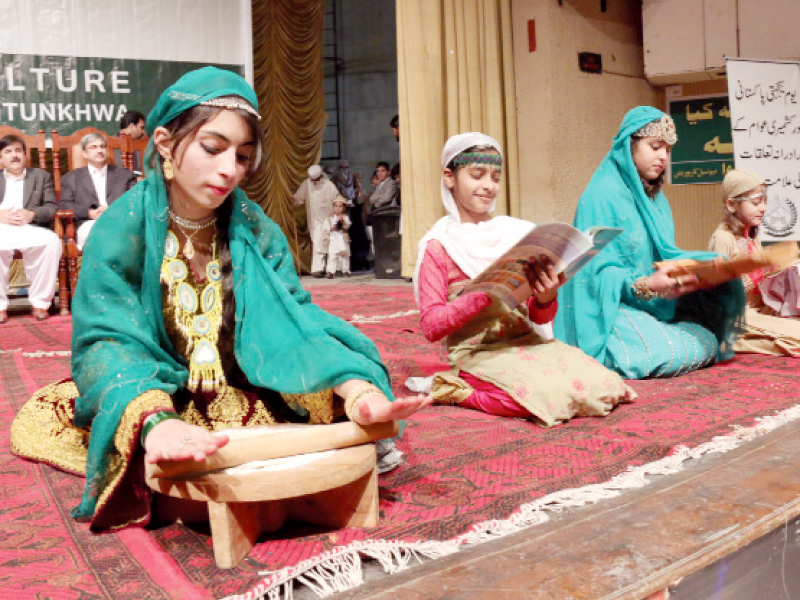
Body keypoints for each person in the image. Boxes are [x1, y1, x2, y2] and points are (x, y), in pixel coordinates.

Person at [10, 67, 431, 532]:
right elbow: (108, 339)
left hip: (246, 379)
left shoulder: (253, 227)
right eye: (213, 148)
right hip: (156, 388)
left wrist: (355, 389)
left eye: (243, 155)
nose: (230, 169)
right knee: (80, 419)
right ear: (166, 144)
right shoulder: (121, 227)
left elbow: (294, 320)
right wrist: (156, 424)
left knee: (335, 384)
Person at [414, 132, 635, 425]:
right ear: (449, 177)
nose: (488, 186)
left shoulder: (514, 232)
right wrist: (485, 293)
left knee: (606, 386)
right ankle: (453, 390)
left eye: (495, 177)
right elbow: (431, 326)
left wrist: (547, 297)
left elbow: (538, 316)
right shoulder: (439, 245)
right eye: (477, 175)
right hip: (477, 352)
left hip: (525, 342)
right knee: (537, 397)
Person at [554, 107, 745, 379]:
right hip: (608, 309)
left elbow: (664, 254)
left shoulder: (655, 199)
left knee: (707, 338)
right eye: (655, 146)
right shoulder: (602, 194)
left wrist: (698, 266)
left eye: (667, 150)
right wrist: (644, 284)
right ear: (629, 146)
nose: (663, 157)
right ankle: (611, 355)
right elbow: (591, 275)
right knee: (677, 349)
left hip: (651, 304)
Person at [708, 169, 800, 357]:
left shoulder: (751, 236)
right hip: (735, 315)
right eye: (756, 203)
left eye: (765, 202)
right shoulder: (723, 238)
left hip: (759, 309)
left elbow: (760, 277)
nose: (764, 208)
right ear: (732, 204)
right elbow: (717, 289)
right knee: (794, 336)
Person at [0, 134, 61, 323]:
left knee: (52, 242)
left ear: (25, 155)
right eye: (8, 151)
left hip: (30, 227)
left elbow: (51, 207)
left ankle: (40, 303)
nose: (14, 155)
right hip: (2, 227)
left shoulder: (41, 176)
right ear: (1, 158)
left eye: (18, 150)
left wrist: (31, 214)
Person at [59, 132, 138, 250]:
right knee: (100, 234)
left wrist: (112, 211)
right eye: (93, 147)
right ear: (84, 154)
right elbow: (64, 205)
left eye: (102, 146)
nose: (99, 150)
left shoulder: (125, 175)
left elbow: (135, 202)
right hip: (88, 223)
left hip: (118, 221)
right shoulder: (71, 178)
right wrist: (89, 213)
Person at [293, 165, 342, 276]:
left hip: (329, 219)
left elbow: (338, 198)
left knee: (332, 243)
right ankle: (318, 269)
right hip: (315, 220)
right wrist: (293, 200)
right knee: (318, 242)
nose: (314, 182)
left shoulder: (329, 185)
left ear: (320, 177)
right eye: (312, 180)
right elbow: (299, 197)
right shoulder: (307, 184)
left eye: (316, 180)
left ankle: (332, 269)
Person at [324, 198, 351, 279]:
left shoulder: (345, 217)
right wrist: (331, 228)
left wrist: (342, 221)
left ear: (343, 208)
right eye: (336, 206)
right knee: (332, 255)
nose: (338, 208)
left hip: (342, 238)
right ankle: (330, 271)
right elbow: (325, 228)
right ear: (333, 207)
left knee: (344, 256)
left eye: (340, 206)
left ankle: (345, 270)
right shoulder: (329, 218)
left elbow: (347, 226)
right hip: (333, 239)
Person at [116, 110, 147, 175]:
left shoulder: (144, 145)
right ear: (131, 126)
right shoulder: (110, 145)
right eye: (141, 128)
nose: (143, 132)